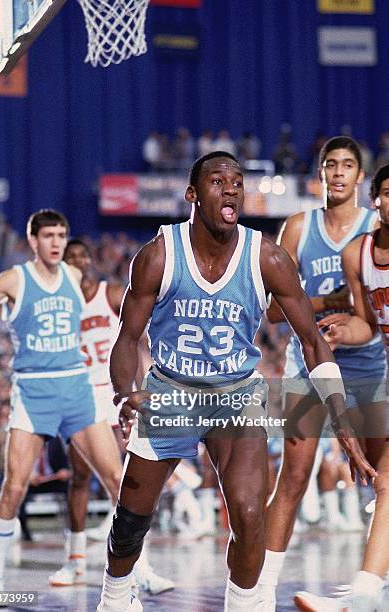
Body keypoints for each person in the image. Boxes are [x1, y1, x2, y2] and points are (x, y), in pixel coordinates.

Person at [96, 150, 375, 612]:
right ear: (192, 194)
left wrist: (341, 419)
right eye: (218, 181)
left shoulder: (267, 256)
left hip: (236, 394)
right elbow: (127, 339)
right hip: (171, 390)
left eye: (237, 182)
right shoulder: (159, 255)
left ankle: (244, 606)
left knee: (249, 515)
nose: (230, 188)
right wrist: (126, 394)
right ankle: (114, 598)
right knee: (130, 520)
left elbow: (312, 341)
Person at [257, 136, 387, 611]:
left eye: (347, 165)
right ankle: (260, 590)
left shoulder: (378, 226)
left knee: (380, 479)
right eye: (330, 165)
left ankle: (373, 584)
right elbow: (273, 311)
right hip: (309, 364)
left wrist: (343, 307)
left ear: (360, 177)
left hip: (371, 364)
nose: (337, 172)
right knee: (292, 477)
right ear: (320, 174)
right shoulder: (297, 227)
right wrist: (332, 302)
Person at [0, 209, 123, 594]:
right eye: (49, 236)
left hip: (76, 388)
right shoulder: (14, 279)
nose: (57, 242)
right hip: (34, 391)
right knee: (14, 487)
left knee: (118, 481)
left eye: (62, 235)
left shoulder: (74, 277)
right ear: (33, 241)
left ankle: (127, 572)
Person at [48, 238, 174, 595]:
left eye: (80, 255)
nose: (76, 261)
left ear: (89, 260)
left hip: (115, 393)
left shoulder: (113, 293)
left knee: (129, 480)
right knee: (80, 476)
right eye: (69, 257)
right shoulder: (60, 304)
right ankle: (74, 561)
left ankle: (139, 566)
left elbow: (135, 339)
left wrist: (143, 382)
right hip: (81, 397)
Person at [295, 163, 389, 611]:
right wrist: (340, 333)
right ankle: (367, 593)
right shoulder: (359, 254)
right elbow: (368, 325)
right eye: (388, 193)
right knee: (385, 481)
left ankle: (366, 593)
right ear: (377, 201)